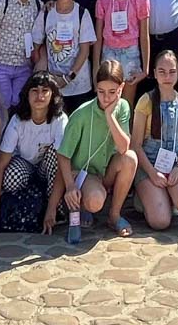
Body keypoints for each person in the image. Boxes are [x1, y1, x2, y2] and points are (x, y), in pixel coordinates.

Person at [58, 60, 139, 242]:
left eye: (112, 92)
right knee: (95, 200)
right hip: (84, 174)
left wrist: (110, 115)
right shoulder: (81, 114)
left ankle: (114, 215)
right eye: (101, 92)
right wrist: (70, 186)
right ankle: (84, 206)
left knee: (130, 158)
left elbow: (123, 147)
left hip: (106, 171)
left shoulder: (123, 107)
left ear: (121, 88)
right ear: (95, 88)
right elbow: (63, 155)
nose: (106, 98)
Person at [0, 72, 70, 234]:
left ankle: (53, 206)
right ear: (27, 94)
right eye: (34, 91)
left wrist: (51, 208)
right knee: (11, 178)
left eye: (45, 91)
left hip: (48, 169)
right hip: (25, 165)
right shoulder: (18, 120)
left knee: (57, 154)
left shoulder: (59, 119)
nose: (39, 96)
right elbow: (0, 164)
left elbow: (63, 163)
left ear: (53, 94)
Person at [131, 50, 178, 230]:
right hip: (149, 165)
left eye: (172, 71)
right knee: (160, 222)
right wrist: (153, 173)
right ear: (154, 73)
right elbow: (136, 145)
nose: (167, 76)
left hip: (174, 163)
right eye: (162, 71)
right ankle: (147, 197)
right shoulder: (145, 101)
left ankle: (169, 195)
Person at [94, 0, 153, 106]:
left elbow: (144, 35)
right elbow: (98, 37)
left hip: (131, 52)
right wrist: (95, 68)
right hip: (108, 51)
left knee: (126, 105)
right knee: (107, 102)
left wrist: (145, 69)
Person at [35, 0, 98, 110]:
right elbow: (38, 44)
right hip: (52, 83)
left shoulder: (82, 14)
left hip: (79, 85)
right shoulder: (46, 12)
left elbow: (84, 50)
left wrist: (69, 76)